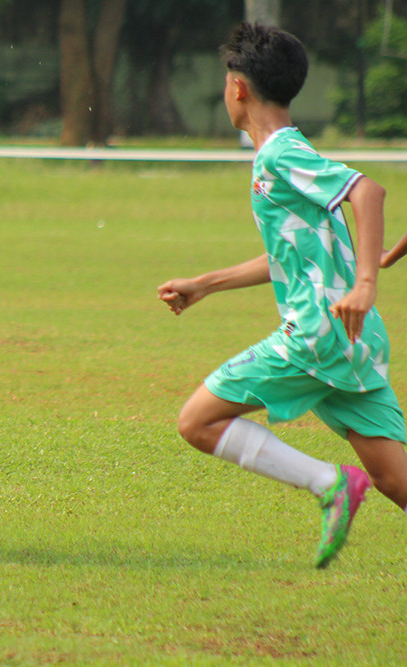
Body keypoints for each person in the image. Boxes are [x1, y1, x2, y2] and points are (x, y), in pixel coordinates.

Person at [157, 23, 407, 568]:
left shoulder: (277, 155)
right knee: (396, 480)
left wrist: (366, 282)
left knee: (197, 421)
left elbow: (368, 191)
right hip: (352, 339)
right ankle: (339, 484)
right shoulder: (284, 155)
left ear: (238, 88)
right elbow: (289, 257)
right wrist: (206, 284)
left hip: (318, 333)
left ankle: (329, 484)